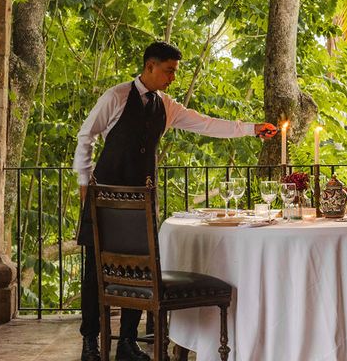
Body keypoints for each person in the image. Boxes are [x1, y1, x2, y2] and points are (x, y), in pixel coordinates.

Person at [73, 40, 277, 361]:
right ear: (150, 66)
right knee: (95, 273)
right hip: (105, 202)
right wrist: (85, 183)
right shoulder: (116, 96)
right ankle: (90, 342)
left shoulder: (167, 106)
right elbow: (86, 135)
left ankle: (127, 342)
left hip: (142, 203)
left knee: (140, 271)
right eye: (168, 71)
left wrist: (252, 129)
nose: (172, 78)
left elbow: (207, 124)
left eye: (174, 73)